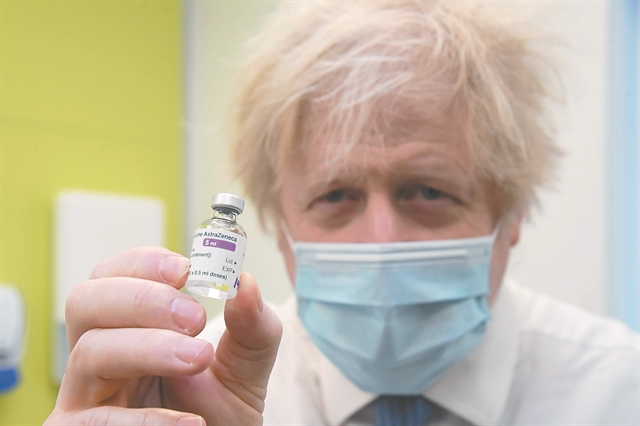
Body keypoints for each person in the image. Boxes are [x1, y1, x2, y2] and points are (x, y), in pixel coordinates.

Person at [46, 1, 639, 425]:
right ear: (280, 229)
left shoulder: (618, 390)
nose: (380, 242)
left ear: (511, 216)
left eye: (427, 191)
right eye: (335, 196)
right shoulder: (190, 384)